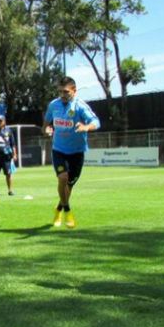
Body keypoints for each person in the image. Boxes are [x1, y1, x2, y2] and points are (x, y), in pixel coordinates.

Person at [44, 76, 100, 228]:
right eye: (60, 92)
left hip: (77, 152)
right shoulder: (54, 105)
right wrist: (46, 129)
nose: (62, 95)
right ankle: (67, 210)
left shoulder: (80, 106)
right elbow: (47, 120)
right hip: (59, 150)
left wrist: (86, 127)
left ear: (74, 91)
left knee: (69, 185)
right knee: (62, 178)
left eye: (66, 92)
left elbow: (96, 122)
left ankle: (58, 208)